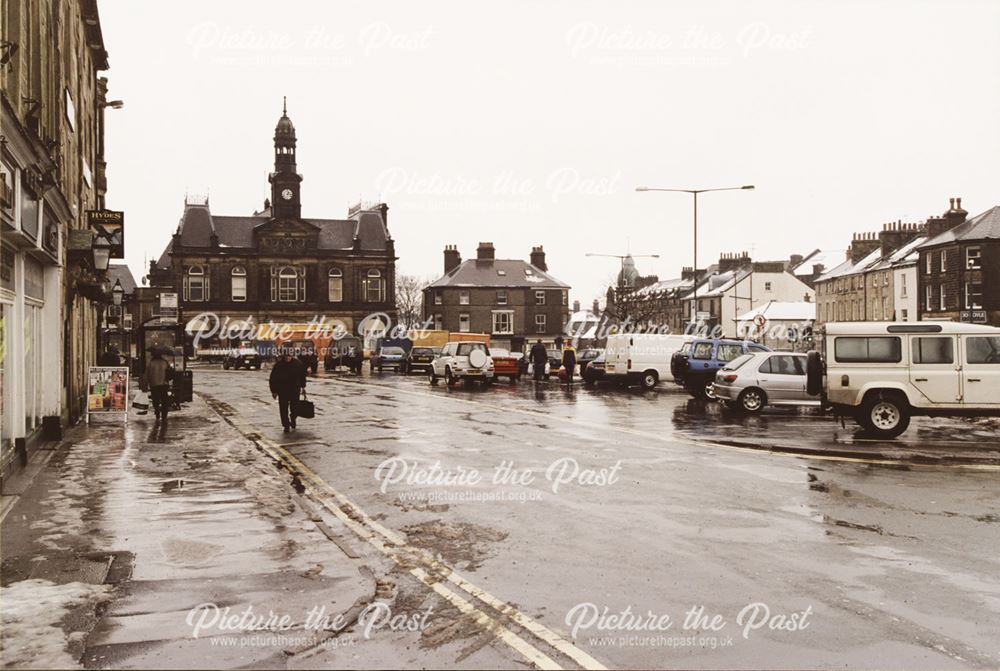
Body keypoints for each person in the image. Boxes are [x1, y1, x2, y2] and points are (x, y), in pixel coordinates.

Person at [269, 349, 306, 432]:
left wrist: (303, 387)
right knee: (283, 409)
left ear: (292, 356)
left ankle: (293, 418)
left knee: (295, 407)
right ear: (283, 357)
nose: (287, 358)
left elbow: (302, 376)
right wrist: (274, 391)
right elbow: (273, 379)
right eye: (286, 356)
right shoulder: (278, 365)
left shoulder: (297, 364)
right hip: (282, 390)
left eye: (289, 356)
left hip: (294, 390)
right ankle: (286, 425)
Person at [146, 349, 171, 424]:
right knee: (164, 400)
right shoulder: (165, 362)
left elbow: (148, 374)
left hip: (154, 384)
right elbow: (169, 372)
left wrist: (148, 383)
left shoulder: (151, 363)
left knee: (155, 400)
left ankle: (157, 413)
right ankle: (164, 415)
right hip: (164, 384)